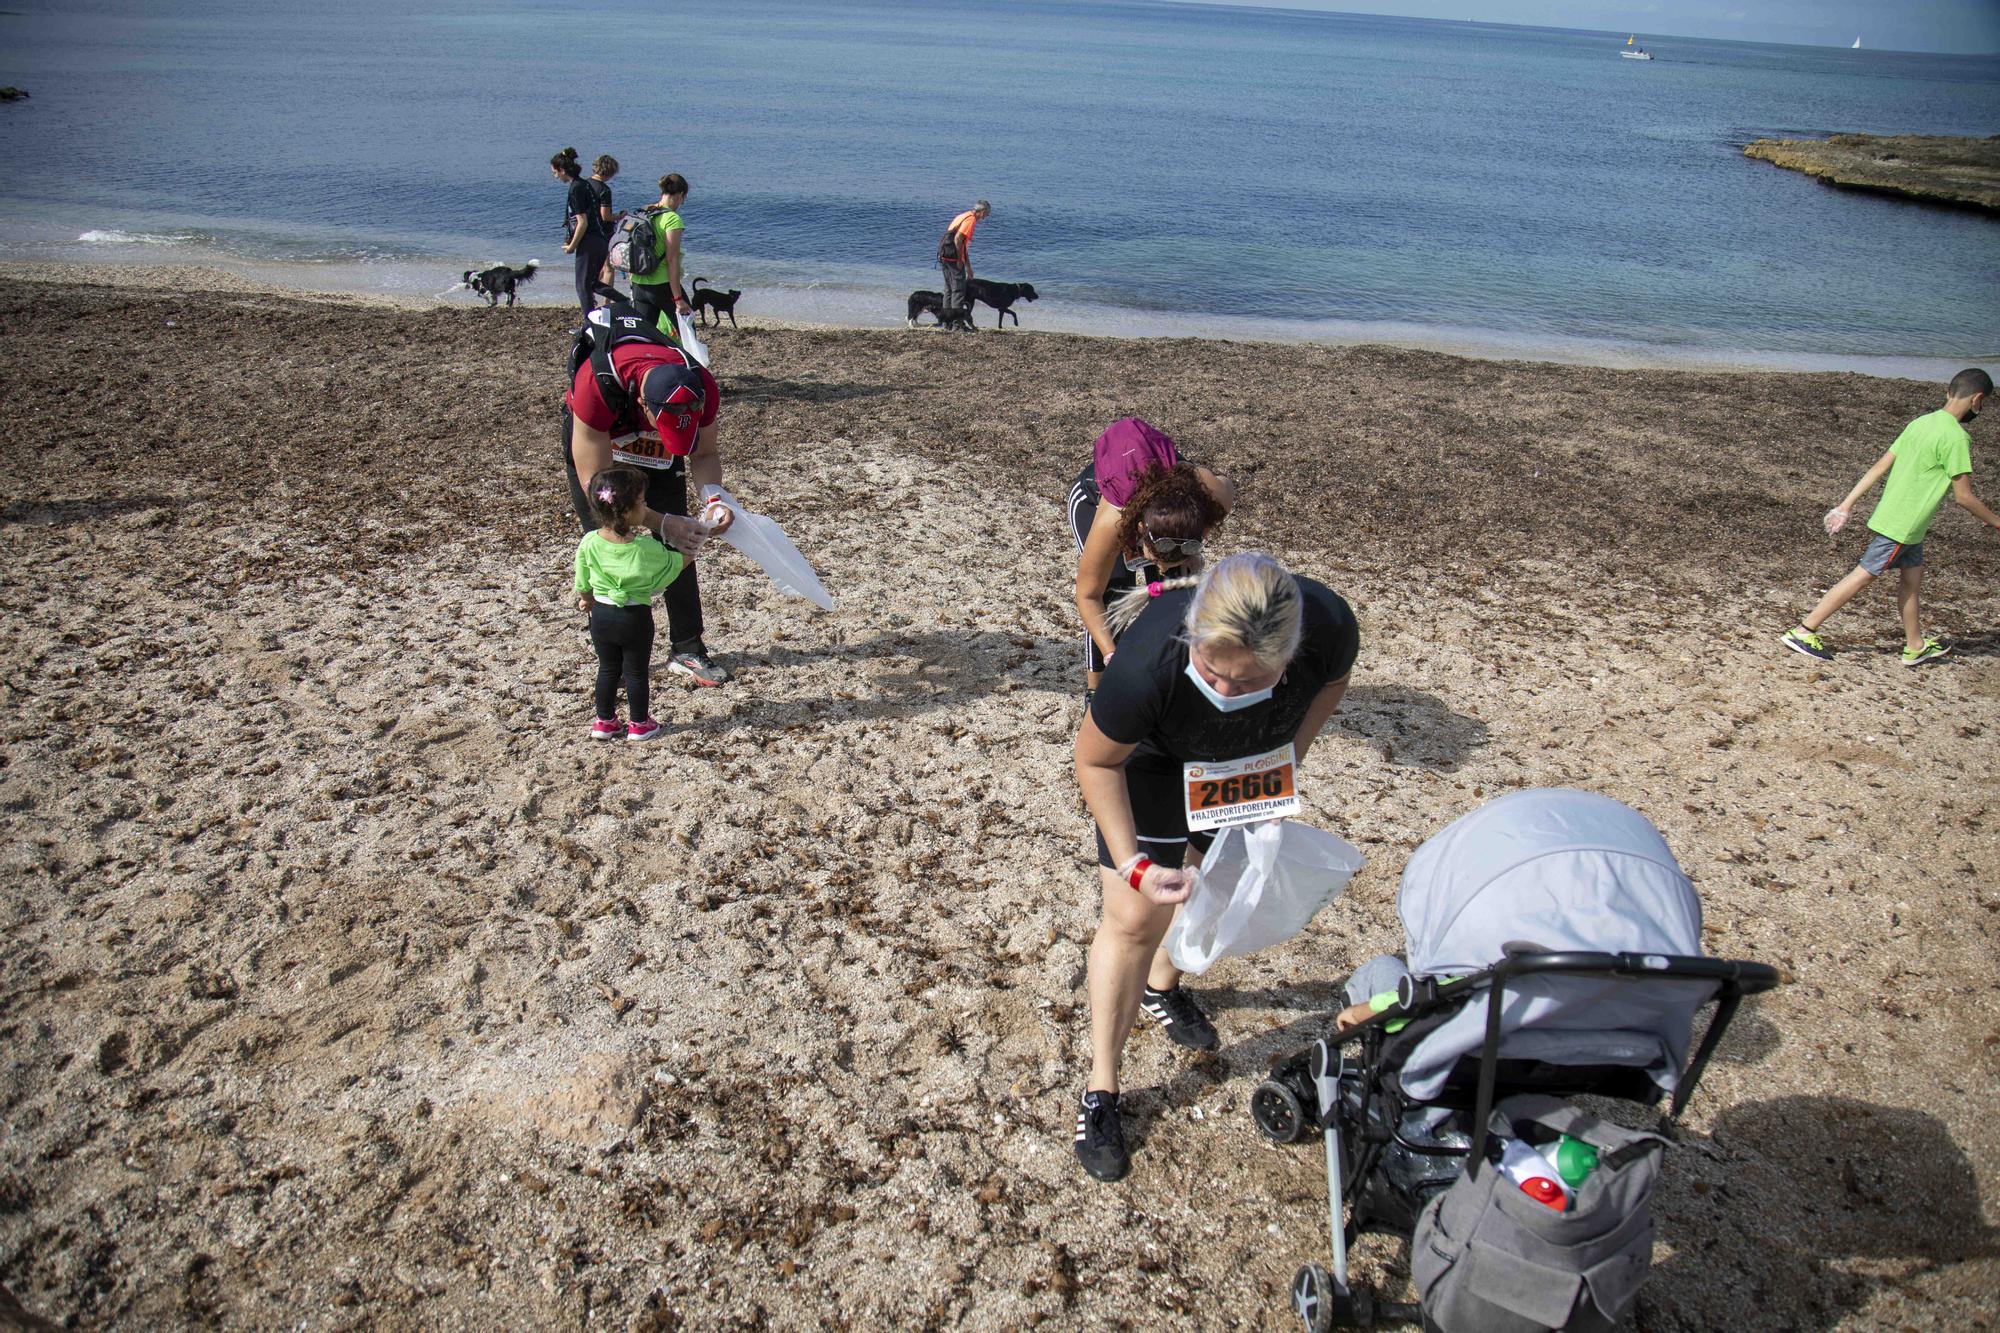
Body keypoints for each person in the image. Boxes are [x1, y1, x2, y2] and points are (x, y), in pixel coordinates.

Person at [1071, 552, 1359, 1180]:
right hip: (1152, 761)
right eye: (1213, 671)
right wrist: (1133, 865)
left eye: (1250, 680)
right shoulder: (1147, 669)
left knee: (1211, 881)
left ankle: (1161, 986)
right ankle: (1102, 1089)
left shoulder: (1331, 627)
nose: (1226, 690)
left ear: (1291, 654)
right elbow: (1094, 762)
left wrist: (1284, 760)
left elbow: (1333, 683)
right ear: (1193, 634)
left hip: (1239, 765)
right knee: (1134, 919)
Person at [562, 307, 736, 685]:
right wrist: (658, 520)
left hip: (649, 447)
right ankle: (616, 658)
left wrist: (713, 499)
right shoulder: (596, 384)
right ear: (644, 406)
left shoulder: (701, 385)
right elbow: (602, 491)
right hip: (603, 447)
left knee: (682, 540)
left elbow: (704, 453)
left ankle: (688, 648)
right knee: (611, 545)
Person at [1782, 367, 1997, 666]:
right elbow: (1964, 497)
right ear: (1977, 400)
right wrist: (1997, 521)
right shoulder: (1956, 437)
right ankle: (1804, 630)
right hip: (1903, 526)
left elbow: (1878, 467)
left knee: (1912, 579)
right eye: (1983, 404)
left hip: (1906, 524)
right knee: (1862, 575)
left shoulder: (1921, 423)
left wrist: (1845, 506)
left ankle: (1915, 645)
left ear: (1949, 392)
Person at [1068, 418, 1236, 695]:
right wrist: (1112, 655)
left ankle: (1175, 675)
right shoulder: (1114, 521)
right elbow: (1088, 595)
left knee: (1178, 587)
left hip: (1177, 504)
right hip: (1093, 497)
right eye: (1156, 556)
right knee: (1114, 593)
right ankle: (1097, 692)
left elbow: (1226, 487)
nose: (1158, 564)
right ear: (1140, 532)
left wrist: (1188, 557)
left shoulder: (1213, 495)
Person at [574, 465, 692, 741]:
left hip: (601, 615)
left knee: (607, 669)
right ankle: (639, 724)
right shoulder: (644, 548)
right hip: (634, 617)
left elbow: (582, 578)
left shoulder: (589, 541)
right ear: (626, 510)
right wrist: (695, 547)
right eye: (641, 501)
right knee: (636, 673)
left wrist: (585, 599)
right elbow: (674, 565)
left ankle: (604, 721)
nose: (646, 505)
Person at [629, 173, 692, 338]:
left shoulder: (643, 212)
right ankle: (688, 364)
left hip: (638, 284)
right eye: (683, 199)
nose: (682, 203)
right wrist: (678, 298)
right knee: (687, 333)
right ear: (680, 195)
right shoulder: (672, 219)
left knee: (644, 337)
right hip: (661, 286)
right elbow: (672, 260)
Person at [552, 146, 612, 311]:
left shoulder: (576, 189)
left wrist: (572, 246)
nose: (554, 176)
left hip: (590, 242)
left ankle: (589, 324)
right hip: (600, 239)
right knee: (592, 283)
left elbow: (582, 222)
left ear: (563, 170)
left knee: (583, 286)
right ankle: (623, 302)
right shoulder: (584, 184)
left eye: (555, 172)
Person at [937, 199, 989, 329]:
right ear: (982, 212)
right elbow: (958, 239)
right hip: (954, 259)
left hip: (944, 256)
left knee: (948, 289)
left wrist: (968, 265)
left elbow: (960, 242)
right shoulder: (970, 220)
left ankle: (945, 322)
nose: (987, 216)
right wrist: (961, 260)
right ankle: (957, 323)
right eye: (987, 213)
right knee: (958, 290)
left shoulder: (962, 216)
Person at [588, 154, 623, 295]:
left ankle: (590, 296)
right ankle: (607, 302)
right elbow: (605, 216)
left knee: (592, 268)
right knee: (608, 267)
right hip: (603, 233)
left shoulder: (584, 184)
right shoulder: (604, 189)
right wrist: (620, 216)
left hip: (587, 232)